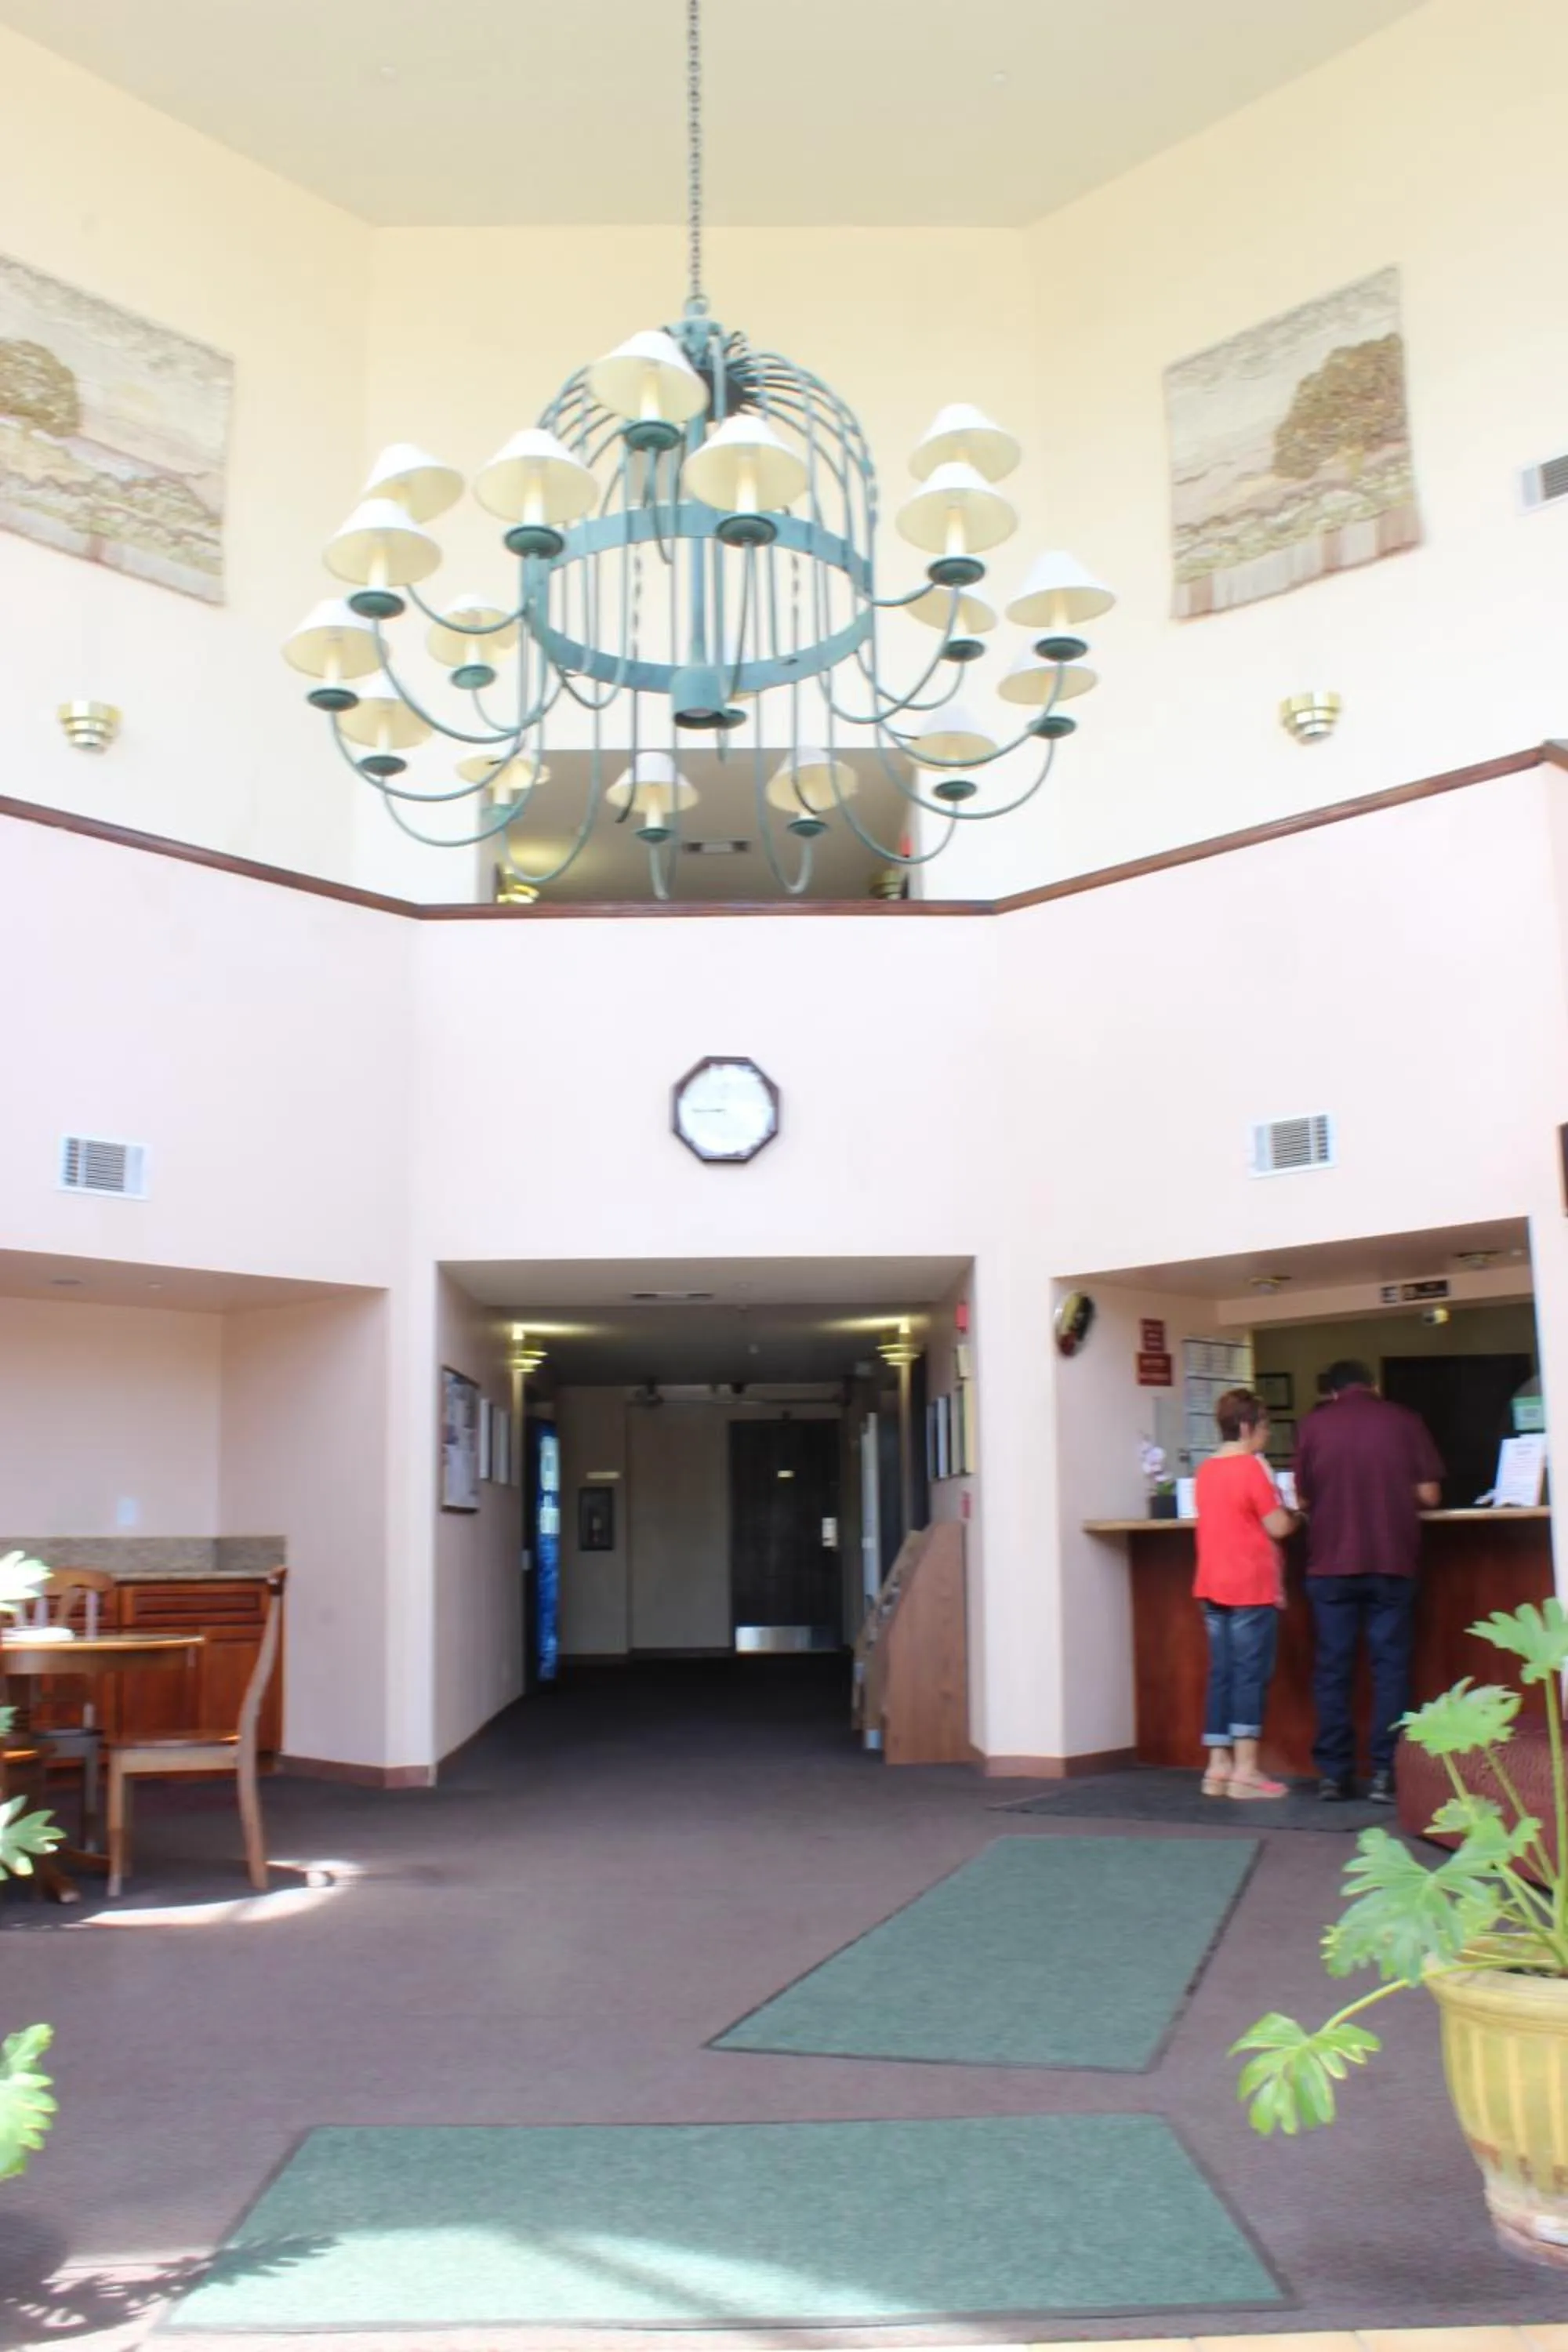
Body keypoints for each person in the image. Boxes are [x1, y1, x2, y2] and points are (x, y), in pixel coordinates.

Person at [1295, 1358, 1444, 1804]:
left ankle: (1335, 1777)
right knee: (1391, 1669)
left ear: (1332, 1390)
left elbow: (1301, 1497)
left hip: (1331, 1565)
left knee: (1332, 1671)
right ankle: (1386, 1773)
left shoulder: (1313, 1427)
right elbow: (1430, 1495)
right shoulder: (1405, 1421)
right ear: (1373, 1385)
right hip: (1392, 1560)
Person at [1193, 1387, 1298, 1799]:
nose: (1268, 1434)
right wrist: (1296, 1515)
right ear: (1246, 1426)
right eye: (1265, 1426)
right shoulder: (1251, 1469)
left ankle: (1217, 1768)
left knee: (1221, 1673)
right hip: (1250, 1586)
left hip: (1211, 1584)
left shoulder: (1206, 1471)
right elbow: (1277, 1527)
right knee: (1250, 1676)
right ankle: (1247, 1772)